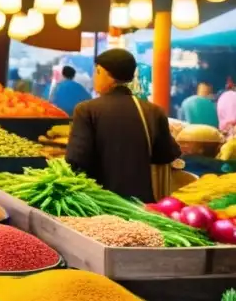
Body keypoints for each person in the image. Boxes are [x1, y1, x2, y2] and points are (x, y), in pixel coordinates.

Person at [67, 49, 180, 203]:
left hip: (99, 204)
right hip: (141, 205)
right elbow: (166, 155)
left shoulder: (86, 110)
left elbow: (76, 160)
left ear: (105, 72)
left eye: (96, 72)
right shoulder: (152, 111)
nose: (95, 78)